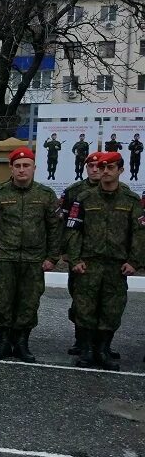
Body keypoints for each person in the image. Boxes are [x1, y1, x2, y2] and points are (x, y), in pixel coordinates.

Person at [0, 148, 62, 362]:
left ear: (34, 168)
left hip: (34, 261)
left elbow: (55, 228)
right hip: (4, 258)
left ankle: (22, 343)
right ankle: (4, 342)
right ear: (11, 168)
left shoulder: (46, 195)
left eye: (26, 165)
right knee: (2, 302)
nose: (22, 170)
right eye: (18, 166)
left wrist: (52, 257)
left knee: (29, 303)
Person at [66, 152, 145, 370]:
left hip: (116, 266)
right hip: (89, 264)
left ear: (121, 170)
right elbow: (73, 231)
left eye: (111, 168)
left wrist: (134, 261)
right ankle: (88, 351)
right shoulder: (84, 198)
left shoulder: (131, 200)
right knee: (85, 308)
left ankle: (103, 350)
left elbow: (139, 232)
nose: (106, 172)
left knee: (112, 309)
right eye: (102, 168)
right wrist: (75, 259)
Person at [57, 151, 104, 356]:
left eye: (99, 166)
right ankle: (81, 341)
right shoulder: (74, 191)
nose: (95, 170)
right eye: (91, 166)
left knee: (107, 302)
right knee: (80, 299)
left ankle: (102, 345)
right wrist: (66, 252)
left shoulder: (122, 192)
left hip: (109, 258)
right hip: (81, 257)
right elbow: (64, 224)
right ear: (86, 168)